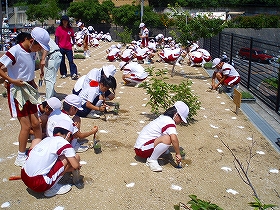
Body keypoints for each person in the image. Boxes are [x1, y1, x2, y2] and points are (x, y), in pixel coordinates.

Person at [0, 27, 50, 167]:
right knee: (26, 126)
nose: (39, 50)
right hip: (17, 90)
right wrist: (11, 80)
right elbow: (0, 67)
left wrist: (33, 83)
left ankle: (38, 147)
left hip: (28, 89)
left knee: (36, 123)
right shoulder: (15, 50)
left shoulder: (32, 52)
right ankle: (20, 156)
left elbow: (27, 69)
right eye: (39, 47)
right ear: (32, 41)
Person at [21, 120, 82, 197]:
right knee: (75, 157)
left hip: (24, 175)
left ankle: (53, 177)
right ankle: (52, 189)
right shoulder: (64, 143)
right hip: (39, 183)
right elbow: (75, 165)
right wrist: (77, 166)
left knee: (37, 143)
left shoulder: (46, 139)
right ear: (69, 134)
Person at [134, 101, 189, 172]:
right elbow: (174, 138)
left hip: (142, 146)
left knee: (166, 137)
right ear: (176, 114)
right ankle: (151, 160)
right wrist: (178, 153)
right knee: (167, 139)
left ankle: (162, 152)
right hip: (141, 150)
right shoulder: (169, 121)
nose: (181, 121)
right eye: (181, 119)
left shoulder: (164, 118)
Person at [55, 15, 79, 80]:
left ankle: (73, 73)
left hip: (68, 47)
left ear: (68, 21)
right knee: (62, 61)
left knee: (71, 60)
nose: (65, 22)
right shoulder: (59, 29)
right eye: (63, 21)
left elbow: (73, 36)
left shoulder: (70, 29)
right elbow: (57, 38)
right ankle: (63, 73)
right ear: (62, 21)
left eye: (66, 21)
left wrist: (74, 44)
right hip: (61, 47)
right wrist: (57, 46)